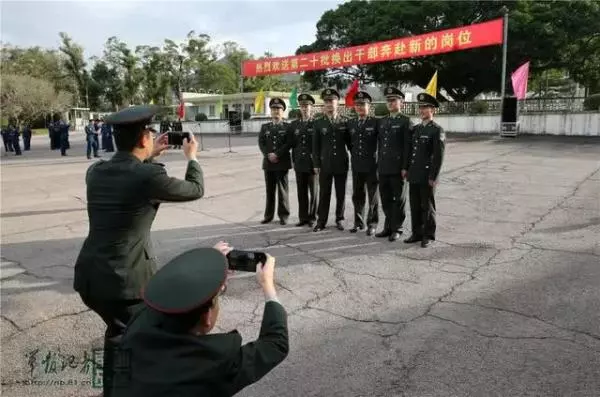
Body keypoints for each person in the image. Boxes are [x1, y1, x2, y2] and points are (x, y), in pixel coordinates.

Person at [73, 104, 205, 397]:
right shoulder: (149, 177)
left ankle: (112, 389)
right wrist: (192, 157)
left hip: (91, 276)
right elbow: (194, 189)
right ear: (144, 138)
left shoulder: (95, 171)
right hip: (124, 282)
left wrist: (150, 153)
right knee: (140, 339)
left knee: (118, 334)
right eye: (148, 133)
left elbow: (127, 173)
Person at [112, 243, 289, 397]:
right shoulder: (215, 363)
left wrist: (205, 267)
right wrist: (267, 284)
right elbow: (275, 343)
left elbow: (171, 286)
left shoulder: (137, 325)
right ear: (207, 318)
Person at [405, 92, 445, 248]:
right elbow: (410, 152)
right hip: (414, 173)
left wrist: (433, 176)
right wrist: (407, 169)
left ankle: (428, 234)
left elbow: (438, 156)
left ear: (432, 110)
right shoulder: (416, 129)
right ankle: (416, 233)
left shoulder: (437, 130)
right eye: (420, 107)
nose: (421, 110)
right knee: (414, 205)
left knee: (427, 206)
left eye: (425, 107)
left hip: (427, 175)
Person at [376, 87, 413, 242]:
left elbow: (408, 147)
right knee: (385, 198)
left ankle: (397, 228)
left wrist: (405, 167)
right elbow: (380, 145)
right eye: (388, 101)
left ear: (401, 102)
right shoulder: (383, 121)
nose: (390, 103)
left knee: (398, 200)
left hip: (398, 168)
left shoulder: (406, 121)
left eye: (393, 100)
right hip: (384, 166)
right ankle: (388, 226)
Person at [312, 88, 350, 232]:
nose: (329, 104)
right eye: (326, 101)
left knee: (341, 193)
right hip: (325, 164)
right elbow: (315, 146)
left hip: (341, 162)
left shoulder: (344, 121)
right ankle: (321, 221)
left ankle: (339, 219)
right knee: (324, 193)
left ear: (337, 102)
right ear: (324, 104)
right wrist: (316, 164)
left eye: (332, 101)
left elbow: (350, 144)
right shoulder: (318, 123)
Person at [347, 91, 379, 236]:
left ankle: (372, 224)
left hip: (372, 165)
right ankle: (358, 222)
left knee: (373, 197)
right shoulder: (351, 123)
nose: (360, 107)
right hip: (357, 164)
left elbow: (381, 143)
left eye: (363, 104)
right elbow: (349, 143)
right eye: (357, 105)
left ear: (369, 106)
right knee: (357, 195)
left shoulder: (376, 122)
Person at [258, 97, 292, 225]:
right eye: (273, 109)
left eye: (278, 109)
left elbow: (289, 143)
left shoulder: (288, 127)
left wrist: (277, 154)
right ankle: (268, 216)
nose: (276, 111)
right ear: (270, 111)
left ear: (283, 111)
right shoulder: (265, 127)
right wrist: (268, 155)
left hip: (282, 162)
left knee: (282, 191)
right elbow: (261, 143)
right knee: (270, 191)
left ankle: (284, 216)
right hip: (268, 163)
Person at [288, 93, 318, 227]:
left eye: (307, 106)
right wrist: (293, 161)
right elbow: (292, 144)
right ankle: (303, 218)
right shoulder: (294, 125)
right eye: (302, 106)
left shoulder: (317, 123)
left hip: (313, 164)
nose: (304, 108)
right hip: (299, 162)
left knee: (314, 193)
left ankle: (313, 218)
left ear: (312, 107)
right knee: (301, 192)